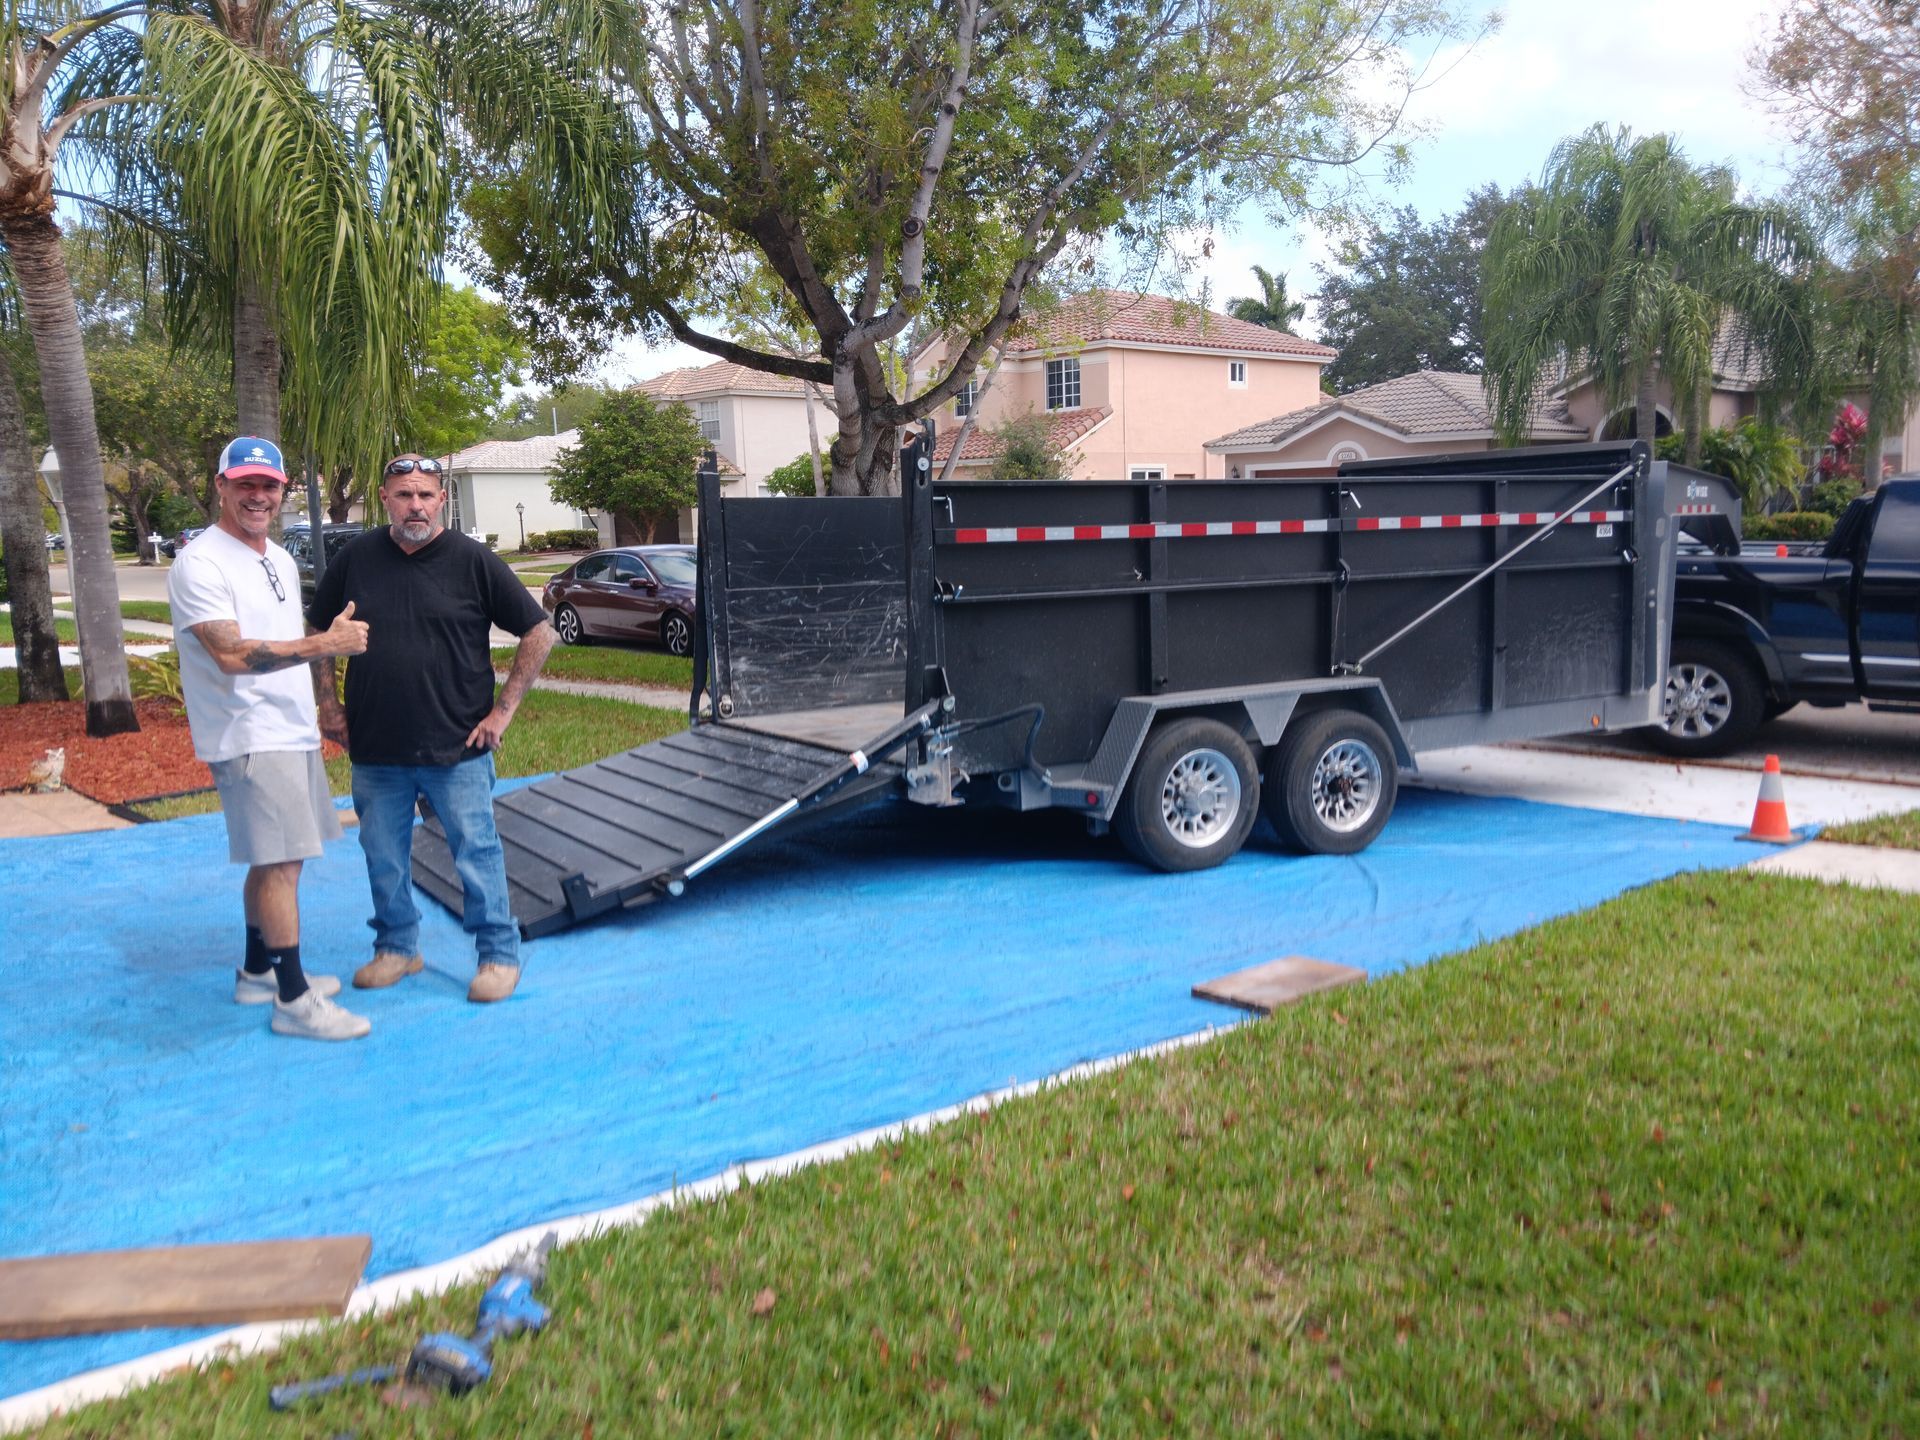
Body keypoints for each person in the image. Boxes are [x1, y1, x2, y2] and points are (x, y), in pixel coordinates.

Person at [307, 453, 556, 1003]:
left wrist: (504, 710)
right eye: (403, 495)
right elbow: (318, 629)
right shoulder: (355, 559)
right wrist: (327, 704)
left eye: (425, 494)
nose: (415, 505)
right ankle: (397, 947)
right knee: (383, 855)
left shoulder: (473, 561)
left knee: (476, 853)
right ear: (384, 499)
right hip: (375, 745)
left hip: (458, 745)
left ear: (442, 499)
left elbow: (538, 632)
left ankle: (498, 955)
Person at [168, 436, 374, 1042]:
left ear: (283, 491)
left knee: (276, 858)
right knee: (281, 863)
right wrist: (325, 645)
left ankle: (258, 972)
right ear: (221, 486)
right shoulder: (201, 563)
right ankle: (292, 998)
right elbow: (231, 656)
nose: (258, 496)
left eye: (268, 485)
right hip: (249, 734)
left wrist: (318, 702)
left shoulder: (278, 558)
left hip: (289, 729)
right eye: (245, 484)